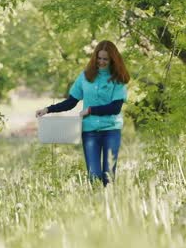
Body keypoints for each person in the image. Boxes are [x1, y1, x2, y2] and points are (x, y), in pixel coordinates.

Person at [36, 40, 130, 186]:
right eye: (99, 58)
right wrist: (48, 109)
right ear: (95, 57)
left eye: (105, 59)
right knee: (94, 175)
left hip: (111, 130)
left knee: (108, 176)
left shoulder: (118, 79)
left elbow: (115, 107)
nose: (101, 62)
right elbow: (71, 102)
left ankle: (108, 205)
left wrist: (91, 110)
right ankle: (95, 204)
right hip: (90, 131)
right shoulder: (85, 76)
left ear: (112, 59)